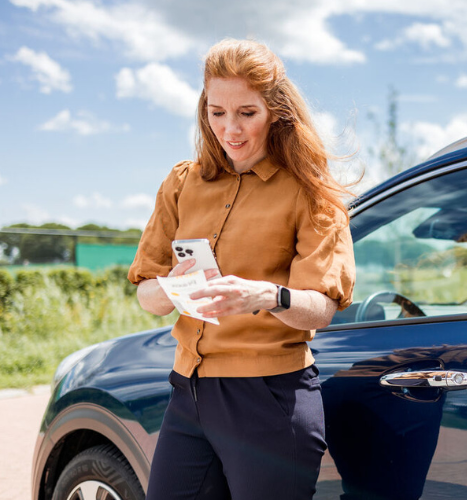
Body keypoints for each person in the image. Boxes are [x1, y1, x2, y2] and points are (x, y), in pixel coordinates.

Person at [128, 38, 356, 500]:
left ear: (275, 111)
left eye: (246, 113)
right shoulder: (181, 183)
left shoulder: (312, 195)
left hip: (269, 399)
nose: (229, 129)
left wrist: (266, 296)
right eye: (217, 112)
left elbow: (320, 310)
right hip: (188, 392)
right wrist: (173, 288)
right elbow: (146, 296)